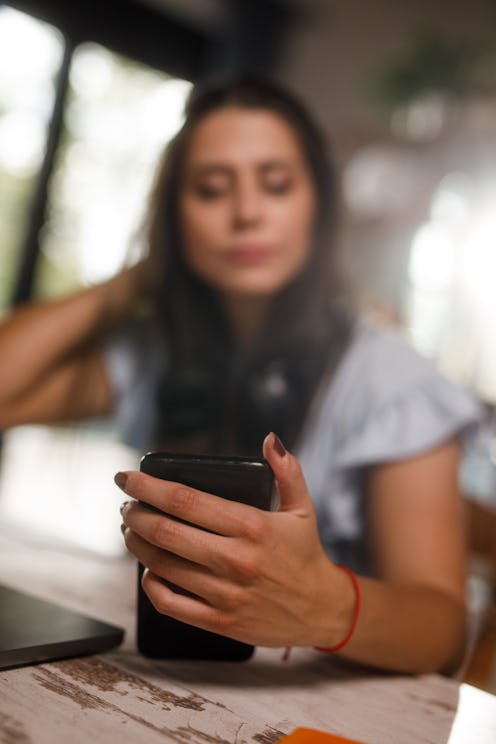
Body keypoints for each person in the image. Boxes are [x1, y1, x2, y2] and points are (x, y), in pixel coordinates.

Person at [0, 77, 481, 674]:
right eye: (209, 190)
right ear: (177, 217)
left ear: (317, 205)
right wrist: (149, 270)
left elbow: (441, 633)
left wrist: (326, 604)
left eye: (276, 185)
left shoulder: (392, 379)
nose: (247, 212)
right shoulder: (161, 354)